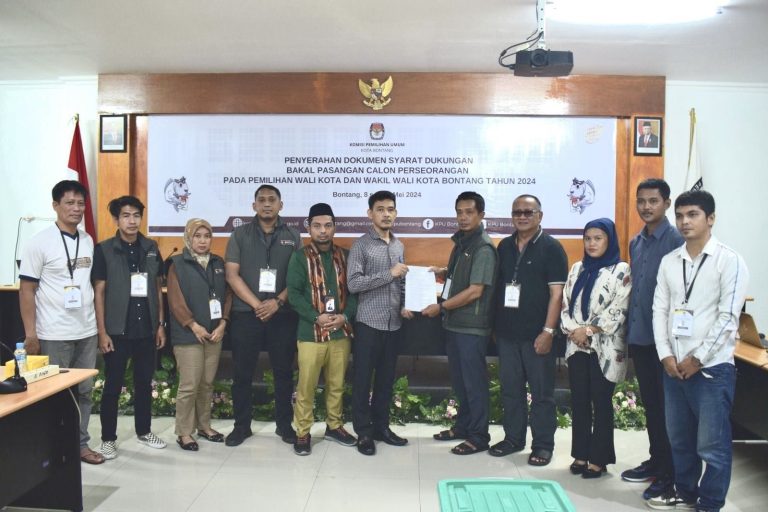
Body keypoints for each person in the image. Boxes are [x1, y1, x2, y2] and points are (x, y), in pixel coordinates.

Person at [648, 190, 749, 511]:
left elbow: (728, 318)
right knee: (679, 440)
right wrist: (665, 355)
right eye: (679, 216)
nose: (684, 222)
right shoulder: (670, 261)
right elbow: (659, 310)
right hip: (674, 367)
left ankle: (710, 503)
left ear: (711, 218)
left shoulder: (729, 261)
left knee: (712, 446)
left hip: (711, 369)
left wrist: (698, 358)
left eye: (692, 214)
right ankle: (686, 492)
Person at [18, 180, 104, 465]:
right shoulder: (39, 242)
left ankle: (80, 445)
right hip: (53, 332)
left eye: (80, 203)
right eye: (69, 203)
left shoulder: (88, 240)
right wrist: (31, 333)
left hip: (87, 330)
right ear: (55, 205)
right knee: (55, 394)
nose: (76, 208)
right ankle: (54, 449)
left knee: (85, 391)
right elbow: (27, 290)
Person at [491, 194, 568, 466]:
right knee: (511, 390)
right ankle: (513, 439)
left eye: (528, 212)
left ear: (540, 216)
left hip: (538, 335)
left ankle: (543, 445)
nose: (522, 217)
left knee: (542, 394)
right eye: (517, 212)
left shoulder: (552, 248)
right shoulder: (505, 246)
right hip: (507, 334)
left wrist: (548, 332)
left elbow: (557, 295)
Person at [224, 185, 301, 447]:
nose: (267, 204)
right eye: (262, 200)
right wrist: (259, 305)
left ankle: (284, 425)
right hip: (247, 314)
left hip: (283, 314)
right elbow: (231, 275)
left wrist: (277, 302)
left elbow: (298, 277)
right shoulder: (239, 234)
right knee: (242, 373)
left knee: (283, 373)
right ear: (254, 205)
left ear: (281, 205)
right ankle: (241, 426)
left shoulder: (293, 235)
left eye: (272, 200)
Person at [622, 179, 684, 500]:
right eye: (641, 201)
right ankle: (657, 461)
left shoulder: (676, 240)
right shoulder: (636, 242)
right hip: (641, 337)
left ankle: (671, 474)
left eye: (653, 201)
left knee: (669, 411)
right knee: (652, 406)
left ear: (667, 203)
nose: (646, 207)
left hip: (667, 344)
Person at [93, 195, 168, 459]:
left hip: (146, 328)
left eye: (136, 215)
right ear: (117, 219)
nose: (132, 221)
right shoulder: (104, 249)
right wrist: (102, 332)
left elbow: (157, 288)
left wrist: (160, 325)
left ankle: (144, 431)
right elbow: (99, 292)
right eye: (126, 215)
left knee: (144, 383)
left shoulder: (151, 247)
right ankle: (108, 439)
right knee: (113, 386)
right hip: (117, 330)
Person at [424, 191, 497, 455]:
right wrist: (444, 272)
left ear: (481, 215)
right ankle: (464, 426)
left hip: (471, 327)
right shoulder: (462, 243)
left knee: (474, 383)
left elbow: (475, 291)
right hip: (455, 324)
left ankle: (479, 436)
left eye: (469, 212)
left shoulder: (483, 247)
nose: (463, 217)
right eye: (459, 212)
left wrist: (441, 306)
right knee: (460, 381)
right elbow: (462, 277)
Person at [561, 218, 631, 479]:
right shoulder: (577, 268)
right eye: (588, 238)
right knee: (579, 401)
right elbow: (565, 304)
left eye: (598, 238)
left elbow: (619, 308)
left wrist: (589, 331)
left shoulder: (621, 270)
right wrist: (575, 331)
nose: (591, 243)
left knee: (601, 403)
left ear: (609, 240)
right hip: (576, 346)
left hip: (606, 348)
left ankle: (599, 459)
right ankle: (580, 454)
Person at [287, 203, 358, 455]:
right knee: (306, 386)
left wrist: (344, 316)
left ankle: (334, 426)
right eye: (317, 226)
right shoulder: (299, 257)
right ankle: (302, 432)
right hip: (311, 334)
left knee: (336, 384)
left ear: (334, 227)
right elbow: (294, 295)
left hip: (340, 333)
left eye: (328, 225)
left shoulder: (346, 256)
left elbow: (354, 292)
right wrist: (316, 317)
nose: (323, 231)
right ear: (309, 228)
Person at [347, 190, 411, 456]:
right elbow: (353, 284)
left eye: (390, 209)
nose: (386, 214)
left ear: (396, 213)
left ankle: (382, 427)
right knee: (362, 381)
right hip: (368, 324)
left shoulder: (398, 246)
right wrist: (389, 274)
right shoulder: (360, 246)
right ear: (370, 213)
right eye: (380, 209)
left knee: (385, 381)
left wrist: (406, 304)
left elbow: (402, 281)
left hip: (393, 323)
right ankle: (363, 432)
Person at [167, 218, 232, 451]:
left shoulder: (218, 262)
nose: (203, 241)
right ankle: (184, 432)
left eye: (207, 236)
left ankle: (204, 426)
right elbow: (175, 301)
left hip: (214, 334)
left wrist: (223, 323)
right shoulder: (177, 264)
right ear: (188, 237)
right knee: (189, 385)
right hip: (189, 335)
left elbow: (227, 295)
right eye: (197, 236)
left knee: (206, 383)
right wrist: (193, 325)